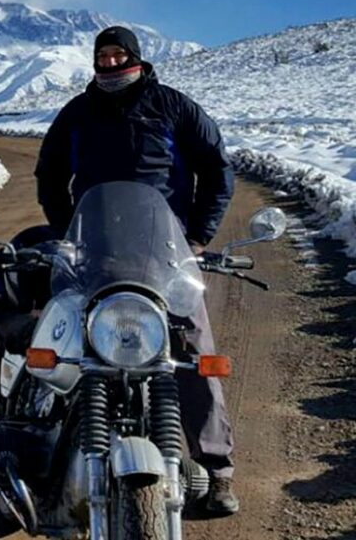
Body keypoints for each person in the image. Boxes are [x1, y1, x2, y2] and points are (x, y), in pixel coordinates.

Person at [34, 25, 238, 516]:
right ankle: (44, 451)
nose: (108, 63)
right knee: (63, 341)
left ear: (137, 58)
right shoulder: (77, 113)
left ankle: (216, 470)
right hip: (97, 251)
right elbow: (49, 173)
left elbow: (217, 170)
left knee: (190, 349)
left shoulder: (173, 106)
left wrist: (198, 238)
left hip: (165, 254)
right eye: (101, 56)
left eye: (117, 54)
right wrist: (68, 234)